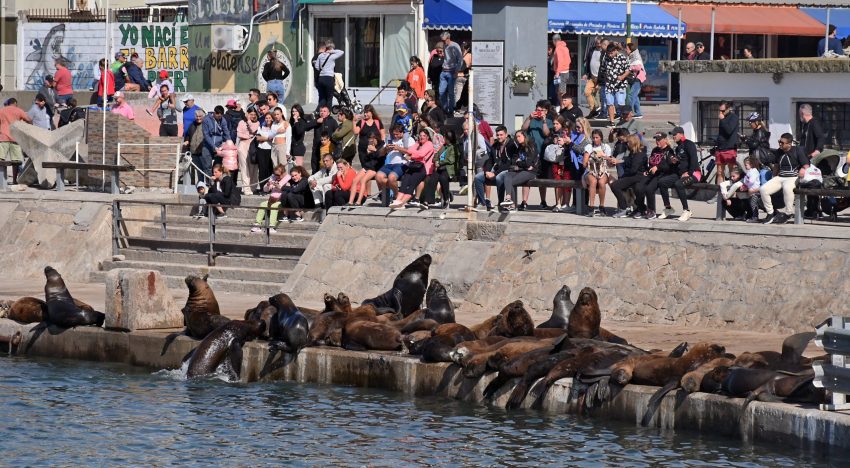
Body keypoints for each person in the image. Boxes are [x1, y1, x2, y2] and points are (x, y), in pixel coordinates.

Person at [760, 134, 809, 225]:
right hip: (780, 177)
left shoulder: (797, 150)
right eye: (779, 141)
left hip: (793, 177)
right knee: (763, 189)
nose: (780, 144)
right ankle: (770, 213)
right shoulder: (779, 151)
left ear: (789, 144)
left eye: (782, 143)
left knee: (787, 188)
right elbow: (776, 166)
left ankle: (788, 213)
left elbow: (806, 164)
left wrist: (803, 169)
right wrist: (773, 178)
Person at [389, 128, 436, 209]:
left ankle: (402, 203)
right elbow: (410, 150)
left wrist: (411, 156)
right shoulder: (417, 143)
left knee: (411, 185)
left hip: (423, 168)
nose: (421, 137)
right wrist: (413, 154)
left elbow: (421, 154)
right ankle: (397, 200)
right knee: (404, 182)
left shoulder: (429, 144)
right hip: (414, 165)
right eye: (420, 135)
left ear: (427, 137)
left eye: (424, 136)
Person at [634, 132, 675, 220]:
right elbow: (651, 162)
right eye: (656, 140)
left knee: (649, 189)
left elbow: (669, 166)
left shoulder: (669, 151)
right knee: (638, 187)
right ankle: (641, 208)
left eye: (659, 140)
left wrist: (658, 167)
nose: (657, 142)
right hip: (651, 173)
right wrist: (647, 170)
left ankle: (651, 211)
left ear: (665, 140)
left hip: (662, 175)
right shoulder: (655, 150)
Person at [474, 126, 513, 210]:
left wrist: (494, 173)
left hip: (508, 171)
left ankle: (501, 203)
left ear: (506, 134)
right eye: (497, 135)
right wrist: (487, 171)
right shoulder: (495, 145)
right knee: (478, 178)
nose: (499, 137)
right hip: (495, 170)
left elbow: (509, 163)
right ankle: (483, 203)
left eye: (501, 135)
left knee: (499, 178)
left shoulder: (511, 145)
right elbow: (490, 160)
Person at [610, 134, 648, 218]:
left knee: (615, 185)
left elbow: (633, 169)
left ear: (633, 143)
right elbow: (628, 160)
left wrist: (624, 175)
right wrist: (619, 161)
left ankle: (624, 209)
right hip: (633, 176)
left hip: (637, 176)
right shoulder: (633, 152)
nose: (627, 144)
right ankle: (637, 208)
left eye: (628, 143)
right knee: (617, 184)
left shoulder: (639, 154)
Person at [501, 130, 538, 210]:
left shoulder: (531, 146)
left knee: (512, 182)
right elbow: (513, 161)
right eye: (516, 137)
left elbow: (528, 163)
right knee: (508, 174)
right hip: (522, 170)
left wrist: (519, 162)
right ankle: (508, 198)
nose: (517, 138)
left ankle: (513, 205)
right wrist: (521, 164)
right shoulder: (519, 147)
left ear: (524, 136)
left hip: (531, 172)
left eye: (519, 136)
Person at [669, 126, 699, 221]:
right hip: (682, 174)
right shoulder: (678, 147)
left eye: (675, 134)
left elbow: (694, 160)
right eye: (672, 135)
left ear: (681, 134)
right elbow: (681, 161)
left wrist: (689, 173)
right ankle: (667, 208)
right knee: (662, 182)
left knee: (678, 184)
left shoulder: (689, 144)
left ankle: (686, 210)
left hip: (694, 174)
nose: (673, 136)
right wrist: (675, 161)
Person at [423, 129, 458, 209]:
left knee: (443, 178)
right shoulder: (443, 146)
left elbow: (451, 159)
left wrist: (440, 162)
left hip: (448, 168)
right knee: (431, 179)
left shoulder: (453, 147)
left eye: (445, 137)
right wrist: (436, 161)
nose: (444, 139)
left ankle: (446, 197)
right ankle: (428, 201)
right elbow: (436, 155)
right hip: (440, 167)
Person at [0, 98, 32, 184]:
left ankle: (1, 180)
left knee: (1, 160)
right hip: (15, 138)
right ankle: (14, 180)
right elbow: (29, 120)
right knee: (16, 162)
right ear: (15, 103)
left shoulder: (1, 110)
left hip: (3, 138)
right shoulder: (19, 110)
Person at [349, 132, 384, 206]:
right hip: (368, 166)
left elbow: (381, 156)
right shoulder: (370, 145)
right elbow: (366, 159)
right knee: (354, 180)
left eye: (371, 140)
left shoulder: (381, 145)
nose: (369, 141)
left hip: (375, 167)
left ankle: (359, 201)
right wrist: (368, 153)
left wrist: (374, 150)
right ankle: (350, 201)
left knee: (363, 180)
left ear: (375, 138)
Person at [582, 129, 611, 216]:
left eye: (597, 137)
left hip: (602, 171)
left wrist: (604, 156)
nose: (595, 139)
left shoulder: (606, 147)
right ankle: (591, 207)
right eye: (593, 138)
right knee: (593, 181)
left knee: (602, 182)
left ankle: (601, 206)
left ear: (601, 138)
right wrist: (589, 161)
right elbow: (584, 163)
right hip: (590, 171)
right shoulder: (589, 147)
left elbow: (609, 163)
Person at [252, 164, 288, 232]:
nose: (276, 176)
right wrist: (268, 185)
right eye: (275, 174)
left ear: (283, 173)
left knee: (274, 206)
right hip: (272, 199)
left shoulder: (288, 178)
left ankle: (271, 226)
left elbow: (284, 188)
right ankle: (257, 224)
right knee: (262, 204)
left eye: (278, 175)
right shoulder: (274, 178)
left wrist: (276, 185)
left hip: (282, 201)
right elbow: (265, 190)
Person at [603, 43, 629, 127]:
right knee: (610, 103)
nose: (610, 55)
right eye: (608, 53)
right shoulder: (606, 58)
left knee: (620, 103)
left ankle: (623, 121)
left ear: (615, 51)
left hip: (620, 85)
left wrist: (622, 77)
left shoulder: (622, 58)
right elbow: (603, 69)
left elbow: (628, 70)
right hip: (609, 84)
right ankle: (612, 122)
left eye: (611, 53)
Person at [306, 105, 338, 174]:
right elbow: (306, 127)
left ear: (328, 113)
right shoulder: (317, 119)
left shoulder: (332, 121)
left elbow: (337, 134)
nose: (322, 113)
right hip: (317, 147)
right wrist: (316, 122)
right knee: (315, 167)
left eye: (324, 111)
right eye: (321, 111)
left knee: (327, 168)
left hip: (328, 149)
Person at [313, 41, 344, 109]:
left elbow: (316, 67)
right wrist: (332, 51)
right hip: (329, 78)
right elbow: (341, 52)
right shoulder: (332, 56)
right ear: (330, 49)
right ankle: (328, 114)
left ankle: (318, 112)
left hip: (321, 78)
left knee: (322, 98)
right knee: (329, 98)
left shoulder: (320, 55)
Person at [713, 101, 739, 183]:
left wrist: (723, 119)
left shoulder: (733, 117)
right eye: (720, 111)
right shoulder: (722, 118)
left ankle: (733, 190)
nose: (721, 113)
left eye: (723, 111)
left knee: (732, 171)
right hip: (720, 148)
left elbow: (729, 130)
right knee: (720, 172)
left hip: (729, 148)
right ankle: (719, 191)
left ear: (728, 109)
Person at [236, 108, 260, 195]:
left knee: (254, 167)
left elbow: (254, 131)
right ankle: (246, 188)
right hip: (243, 145)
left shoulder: (258, 123)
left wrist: (249, 122)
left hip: (253, 146)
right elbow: (239, 134)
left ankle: (253, 187)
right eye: (251, 114)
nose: (253, 116)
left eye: (254, 114)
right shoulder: (241, 122)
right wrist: (248, 136)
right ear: (247, 114)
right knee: (244, 167)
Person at [439, 32, 463, 114]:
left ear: (448, 39)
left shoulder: (455, 46)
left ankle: (451, 111)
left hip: (451, 72)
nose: (442, 42)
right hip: (443, 71)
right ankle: (445, 109)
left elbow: (460, 59)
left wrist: (456, 71)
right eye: (442, 40)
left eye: (444, 40)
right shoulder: (444, 45)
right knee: (441, 92)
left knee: (451, 93)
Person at [184, 109, 207, 184]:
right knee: (197, 169)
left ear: (203, 116)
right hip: (193, 151)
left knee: (205, 169)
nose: (198, 118)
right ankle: (199, 184)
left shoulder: (206, 124)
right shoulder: (192, 124)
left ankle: (207, 185)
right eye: (197, 116)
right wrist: (187, 140)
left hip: (203, 152)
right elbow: (188, 134)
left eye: (200, 116)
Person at [584, 37, 602, 118]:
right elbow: (588, 61)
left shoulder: (604, 52)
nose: (598, 45)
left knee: (596, 94)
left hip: (600, 77)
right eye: (596, 43)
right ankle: (593, 110)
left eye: (599, 43)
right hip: (592, 76)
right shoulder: (591, 50)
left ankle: (598, 110)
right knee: (587, 92)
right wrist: (585, 73)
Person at [626, 42, 645, 119]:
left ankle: (628, 112)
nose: (626, 50)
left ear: (631, 49)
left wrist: (630, 68)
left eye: (627, 49)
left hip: (638, 78)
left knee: (631, 95)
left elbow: (638, 67)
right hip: (635, 78)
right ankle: (638, 113)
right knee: (635, 96)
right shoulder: (631, 56)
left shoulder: (635, 56)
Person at [255, 113, 276, 184]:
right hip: (261, 150)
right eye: (266, 118)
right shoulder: (261, 127)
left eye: (269, 118)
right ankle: (262, 187)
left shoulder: (274, 127)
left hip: (271, 149)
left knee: (269, 169)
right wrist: (268, 138)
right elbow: (258, 138)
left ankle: (269, 186)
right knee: (262, 169)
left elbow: (273, 139)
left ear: (272, 118)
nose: (268, 119)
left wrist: (264, 138)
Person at [288, 104, 308, 168]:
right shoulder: (291, 121)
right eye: (292, 111)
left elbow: (299, 131)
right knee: (292, 169)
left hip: (298, 147)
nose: (294, 113)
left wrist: (296, 121)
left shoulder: (302, 121)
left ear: (299, 111)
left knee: (298, 169)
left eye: (296, 111)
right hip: (292, 147)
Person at [454, 42, 472, 112]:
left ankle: (457, 108)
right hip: (466, 76)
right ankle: (466, 109)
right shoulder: (470, 56)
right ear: (468, 48)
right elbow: (472, 67)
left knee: (458, 93)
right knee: (467, 94)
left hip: (458, 76)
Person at [552, 34, 571, 99]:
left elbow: (560, 61)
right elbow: (569, 60)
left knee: (560, 92)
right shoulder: (565, 48)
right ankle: (561, 106)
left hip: (561, 73)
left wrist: (557, 73)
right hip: (566, 72)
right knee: (562, 91)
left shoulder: (558, 48)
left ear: (554, 41)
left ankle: (562, 107)